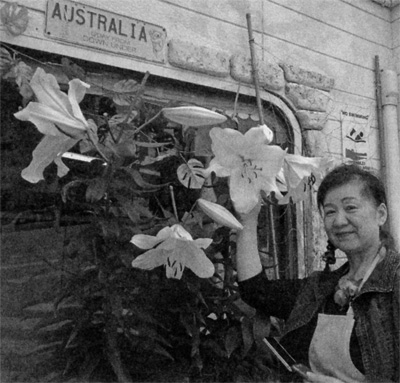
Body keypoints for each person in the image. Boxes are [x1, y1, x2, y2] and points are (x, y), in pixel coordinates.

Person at [236, 163, 399, 383]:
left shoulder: (395, 280)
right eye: (330, 211)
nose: (339, 221)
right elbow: (256, 291)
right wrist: (248, 220)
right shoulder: (320, 289)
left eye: (350, 207)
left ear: (381, 214)